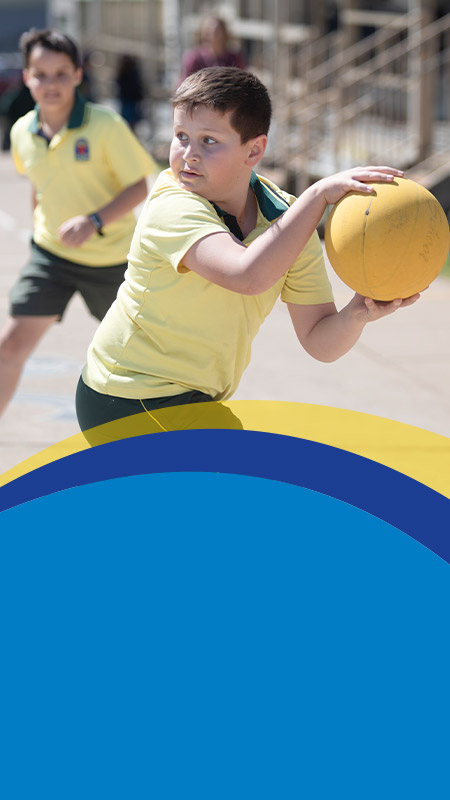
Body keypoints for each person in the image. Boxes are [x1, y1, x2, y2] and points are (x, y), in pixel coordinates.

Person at [76, 66, 420, 443]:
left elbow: (320, 341)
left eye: (209, 141)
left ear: (254, 150)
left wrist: (359, 313)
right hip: (127, 394)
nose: (188, 155)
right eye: (180, 136)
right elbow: (247, 276)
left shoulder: (288, 221)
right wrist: (318, 195)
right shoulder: (172, 202)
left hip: (188, 399)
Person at [0, 28, 157, 418]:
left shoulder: (104, 125)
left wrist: (94, 220)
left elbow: (139, 186)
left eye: (60, 73)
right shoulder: (22, 132)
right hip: (50, 257)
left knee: (142, 364)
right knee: (11, 348)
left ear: (77, 75)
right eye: (40, 74)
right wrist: (44, 226)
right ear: (27, 77)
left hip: (111, 262)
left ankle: (159, 448)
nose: (50, 84)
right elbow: (39, 184)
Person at [179, 15, 246, 83]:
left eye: (217, 29)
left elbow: (242, 81)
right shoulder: (194, 58)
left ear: (224, 32)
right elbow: (184, 84)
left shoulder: (234, 58)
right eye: (209, 29)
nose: (213, 32)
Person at [115, 54, 145, 131]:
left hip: (130, 100)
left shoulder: (130, 72)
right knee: (128, 120)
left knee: (130, 120)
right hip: (128, 100)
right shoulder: (126, 73)